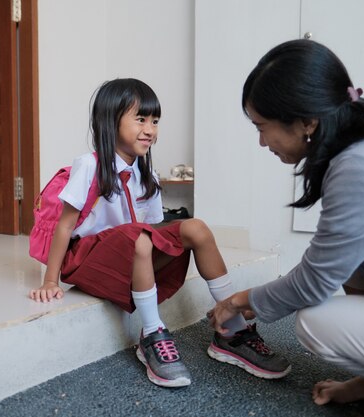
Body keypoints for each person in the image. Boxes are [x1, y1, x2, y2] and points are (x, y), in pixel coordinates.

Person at [30, 78, 290, 388]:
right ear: (110, 121)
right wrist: (50, 279)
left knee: (196, 227)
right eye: (140, 119)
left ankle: (232, 330)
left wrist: (170, 244)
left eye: (155, 120)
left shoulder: (146, 173)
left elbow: (153, 229)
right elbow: (65, 225)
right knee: (137, 238)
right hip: (88, 261)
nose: (150, 129)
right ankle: (151, 334)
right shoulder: (89, 165)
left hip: (129, 255)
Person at [207, 39, 364, 416]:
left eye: (262, 126)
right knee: (355, 261)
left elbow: (314, 282)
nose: (261, 141)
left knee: (314, 321)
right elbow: (329, 263)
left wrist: (239, 301)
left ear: (307, 122)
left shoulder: (361, 166)